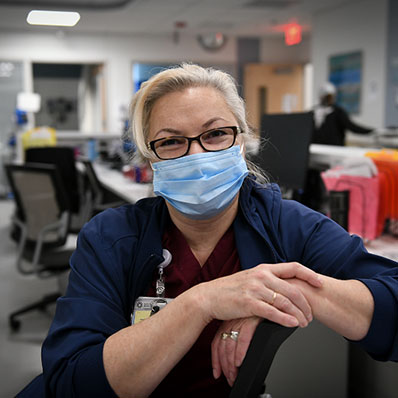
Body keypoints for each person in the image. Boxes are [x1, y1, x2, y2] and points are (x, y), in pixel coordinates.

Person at [18, 64, 398, 398]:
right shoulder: (110, 237)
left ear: (243, 140)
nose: (197, 156)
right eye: (171, 141)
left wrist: (290, 288)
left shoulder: (287, 225)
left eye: (215, 134)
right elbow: (73, 382)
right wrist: (201, 303)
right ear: (149, 158)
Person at [312, 81, 374, 146]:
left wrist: (372, 131)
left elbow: (352, 127)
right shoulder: (314, 111)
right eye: (327, 96)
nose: (329, 99)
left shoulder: (338, 112)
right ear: (321, 97)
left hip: (334, 149)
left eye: (330, 96)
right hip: (317, 149)